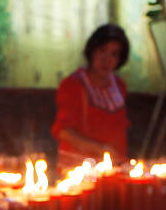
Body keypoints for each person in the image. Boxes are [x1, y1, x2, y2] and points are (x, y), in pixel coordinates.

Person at [50, 24, 132, 172]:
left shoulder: (119, 86)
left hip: (114, 170)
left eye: (114, 54)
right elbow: (64, 131)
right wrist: (101, 149)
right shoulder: (74, 85)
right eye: (102, 51)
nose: (106, 60)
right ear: (92, 51)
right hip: (78, 171)